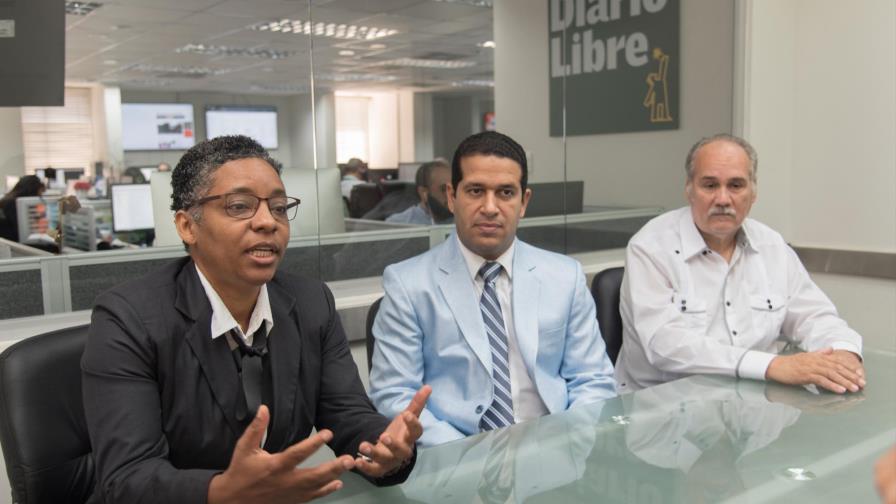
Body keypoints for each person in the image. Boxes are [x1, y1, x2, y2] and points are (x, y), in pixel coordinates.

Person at [81, 135, 430, 503]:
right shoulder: (128, 318)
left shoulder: (311, 303)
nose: (267, 222)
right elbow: (128, 478)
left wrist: (383, 448)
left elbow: (347, 414)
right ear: (187, 226)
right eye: (239, 206)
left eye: (279, 207)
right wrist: (221, 491)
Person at [369, 131, 616, 447]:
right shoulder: (408, 284)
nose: (490, 207)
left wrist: (567, 442)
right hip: (454, 462)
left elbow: (592, 379)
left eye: (505, 193)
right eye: (475, 191)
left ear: (523, 202)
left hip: (553, 452)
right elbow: (394, 394)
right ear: (450, 196)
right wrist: (471, 457)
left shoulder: (564, 276)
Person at [615, 134, 864, 393]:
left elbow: (814, 316)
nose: (723, 199)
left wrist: (842, 352)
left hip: (756, 402)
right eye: (710, 185)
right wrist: (771, 366)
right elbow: (663, 345)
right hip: (663, 408)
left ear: (753, 193)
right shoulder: (650, 247)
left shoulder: (771, 245)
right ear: (689, 190)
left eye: (736, 185)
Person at [385, 159, 453, 225]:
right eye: (444, 189)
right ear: (424, 193)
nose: (452, 195)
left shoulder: (460, 220)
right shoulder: (399, 224)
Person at [0, 175, 45, 241]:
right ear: (33, 190)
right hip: (16, 245)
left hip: (12, 242)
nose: (41, 195)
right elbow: (23, 231)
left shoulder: (10, 199)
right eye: (41, 191)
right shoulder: (14, 203)